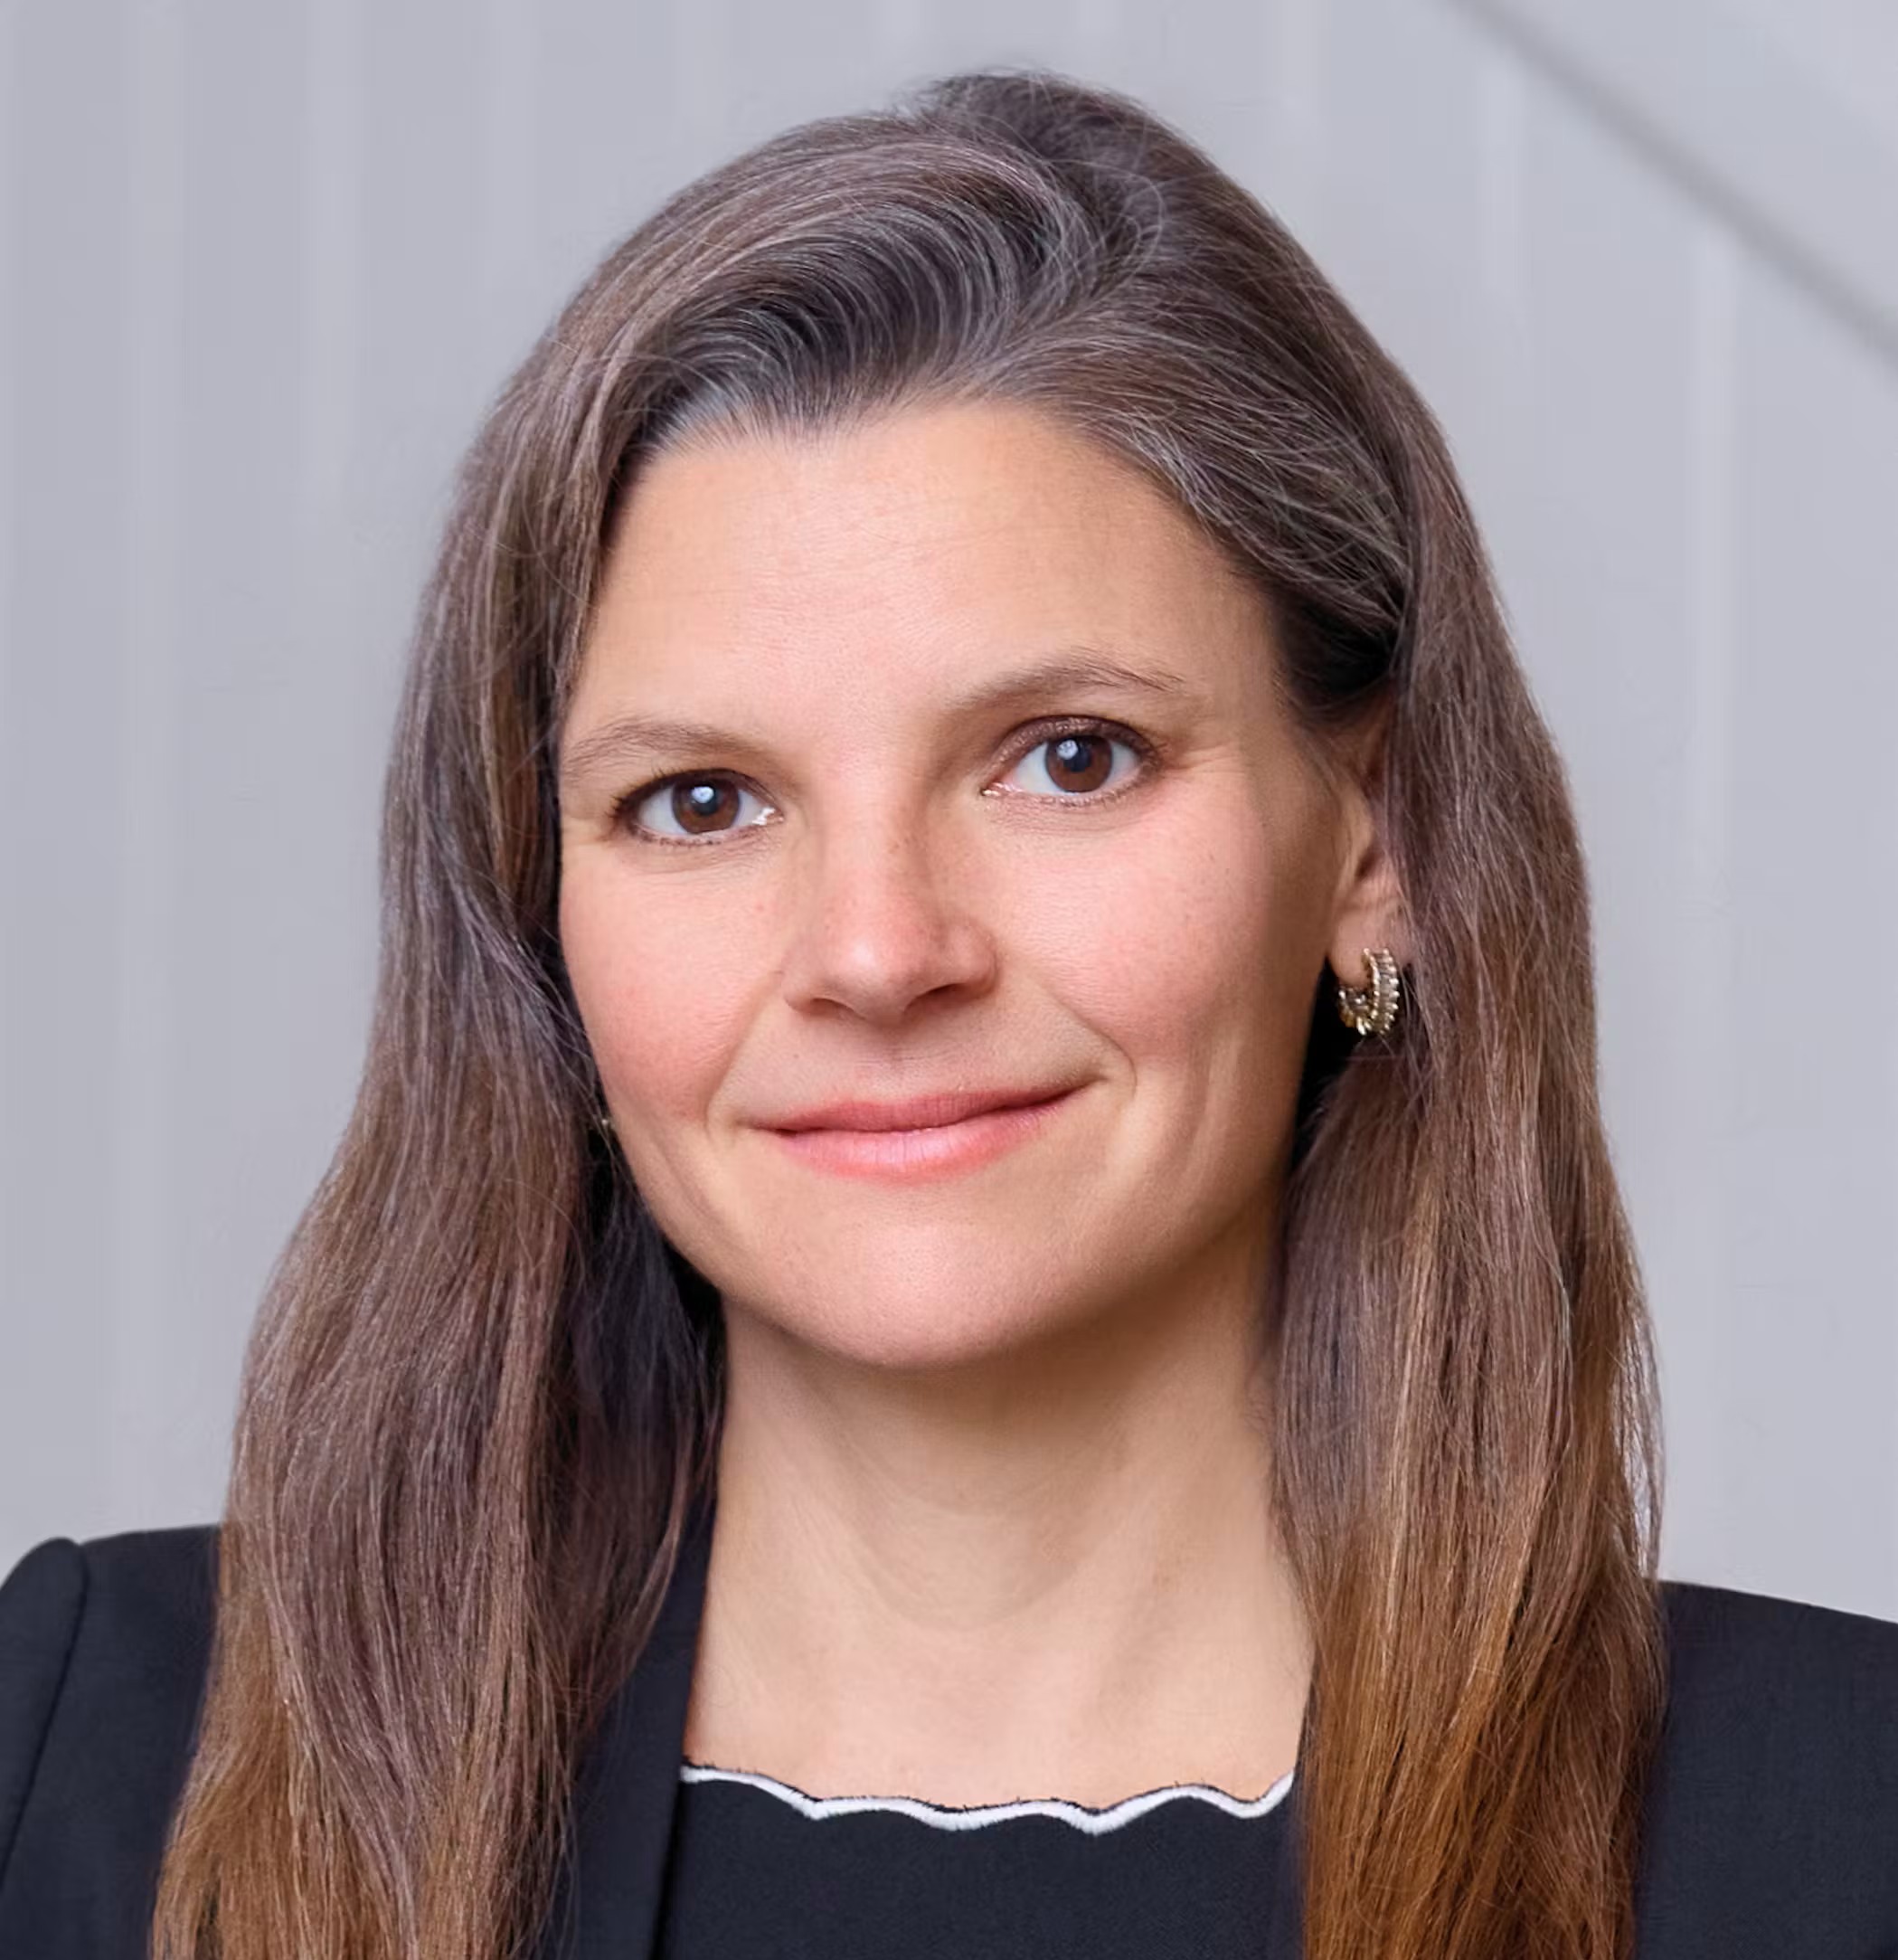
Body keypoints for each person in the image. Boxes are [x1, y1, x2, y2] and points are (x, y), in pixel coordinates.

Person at [1, 63, 1893, 1960]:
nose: (879, 950)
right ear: (537, 911)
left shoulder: (1838, 1829)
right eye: (703, 801)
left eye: (1069, 757)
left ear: (1374, 842)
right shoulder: (87, 1761)